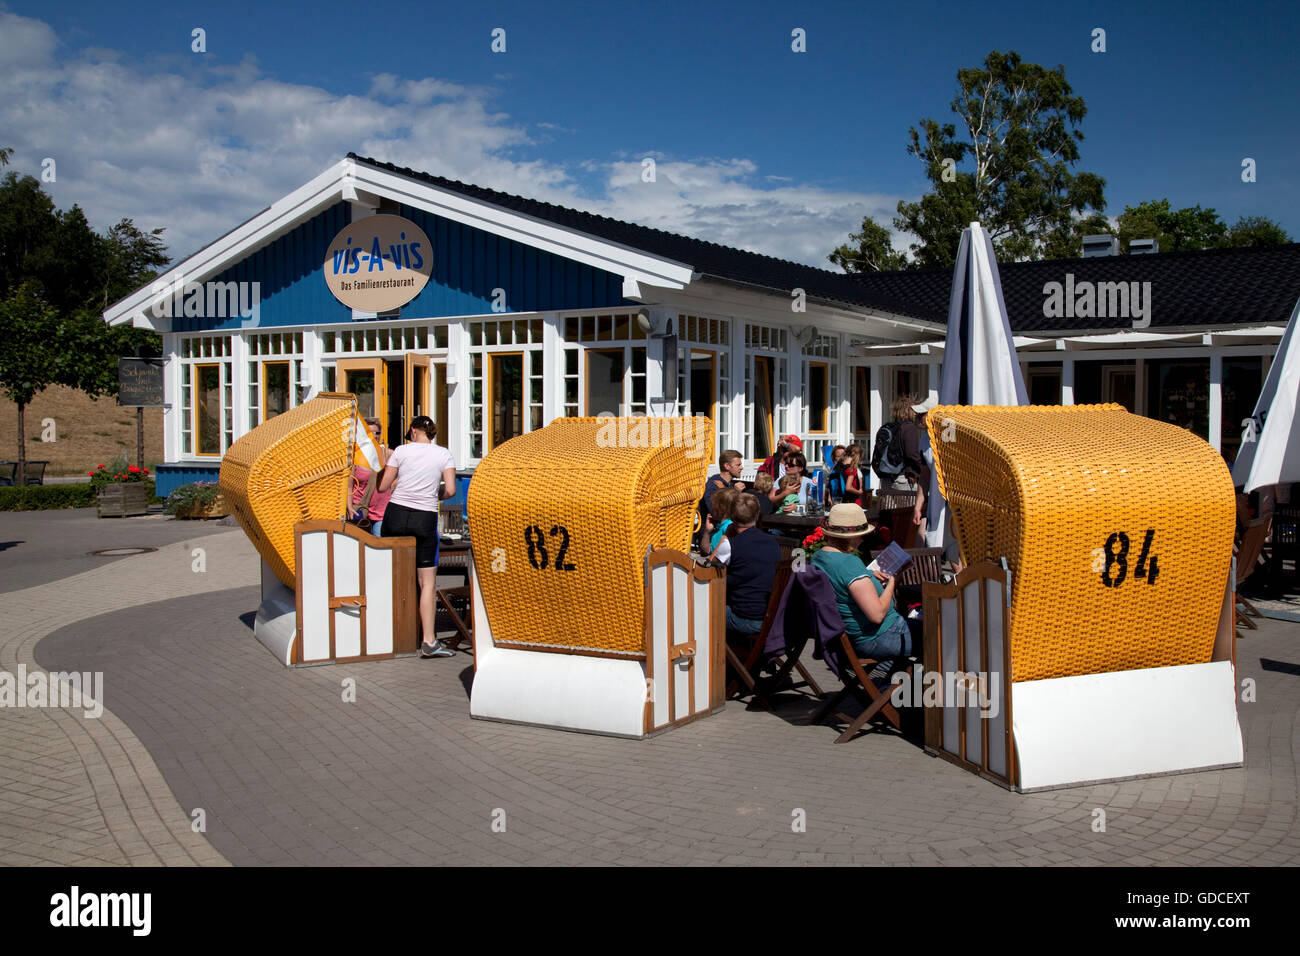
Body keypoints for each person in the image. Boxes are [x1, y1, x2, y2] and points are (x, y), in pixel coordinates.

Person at [378, 415, 457, 659]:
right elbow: (451, 490)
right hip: (424, 517)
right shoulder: (443, 454)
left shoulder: (401, 451)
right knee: (427, 583)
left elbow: (382, 487)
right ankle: (429, 641)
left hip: (396, 515)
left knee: (391, 576)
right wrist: (436, 495)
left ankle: (385, 634)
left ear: (413, 431)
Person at [811, 502, 918, 660]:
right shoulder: (848, 563)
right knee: (939, 636)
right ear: (850, 537)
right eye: (861, 535)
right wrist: (894, 581)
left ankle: (893, 681)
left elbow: (840, 580)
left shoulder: (818, 558)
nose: (862, 539)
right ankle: (920, 683)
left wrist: (867, 574)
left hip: (854, 635)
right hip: (879, 637)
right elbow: (877, 614)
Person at [724, 494, 780, 636]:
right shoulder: (772, 542)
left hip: (745, 617)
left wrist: (725, 538)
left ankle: (711, 654)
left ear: (732, 516)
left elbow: (709, 574)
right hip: (769, 616)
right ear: (757, 515)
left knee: (703, 607)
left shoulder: (730, 544)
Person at [700, 449, 745, 548]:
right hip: (714, 536)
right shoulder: (713, 486)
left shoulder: (730, 485)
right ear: (727, 466)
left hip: (728, 533)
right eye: (738, 465)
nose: (742, 467)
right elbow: (715, 512)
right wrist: (735, 493)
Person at [704, 486, 741, 565]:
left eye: (713, 505)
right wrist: (707, 531)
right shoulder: (720, 526)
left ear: (721, 508)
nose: (711, 508)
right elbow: (706, 550)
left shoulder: (729, 527)